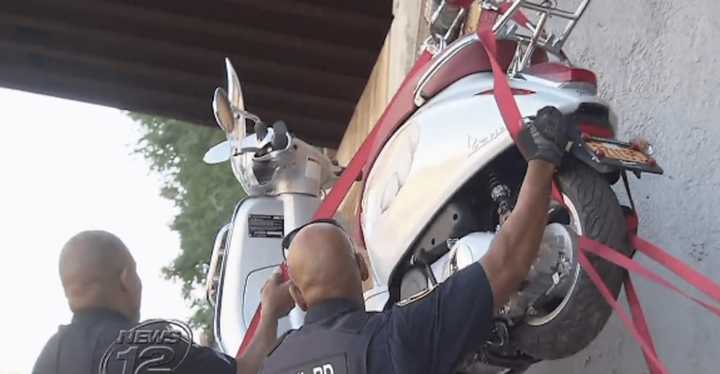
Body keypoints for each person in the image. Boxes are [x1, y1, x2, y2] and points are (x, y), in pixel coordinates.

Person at [258, 106, 572, 374]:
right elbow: (507, 264)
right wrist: (542, 159)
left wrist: (269, 314)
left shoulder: (273, 366)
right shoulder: (391, 339)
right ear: (362, 267)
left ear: (298, 297)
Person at [33, 230, 294, 374]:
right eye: (135, 272)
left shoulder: (47, 361)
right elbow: (247, 371)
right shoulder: (151, 345)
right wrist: (270, 311)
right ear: (125, 279)